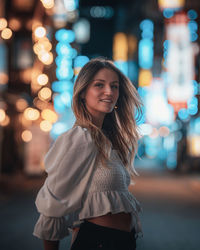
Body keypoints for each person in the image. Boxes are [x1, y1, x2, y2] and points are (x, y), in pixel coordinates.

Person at [33, 57, 143, 250]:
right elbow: (52, 206)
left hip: (121, 242)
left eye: (114, 86)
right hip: (99, 242)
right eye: (99, 85)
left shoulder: (108, 139)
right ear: (83, 92)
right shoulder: (80, 138)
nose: (109, 92)